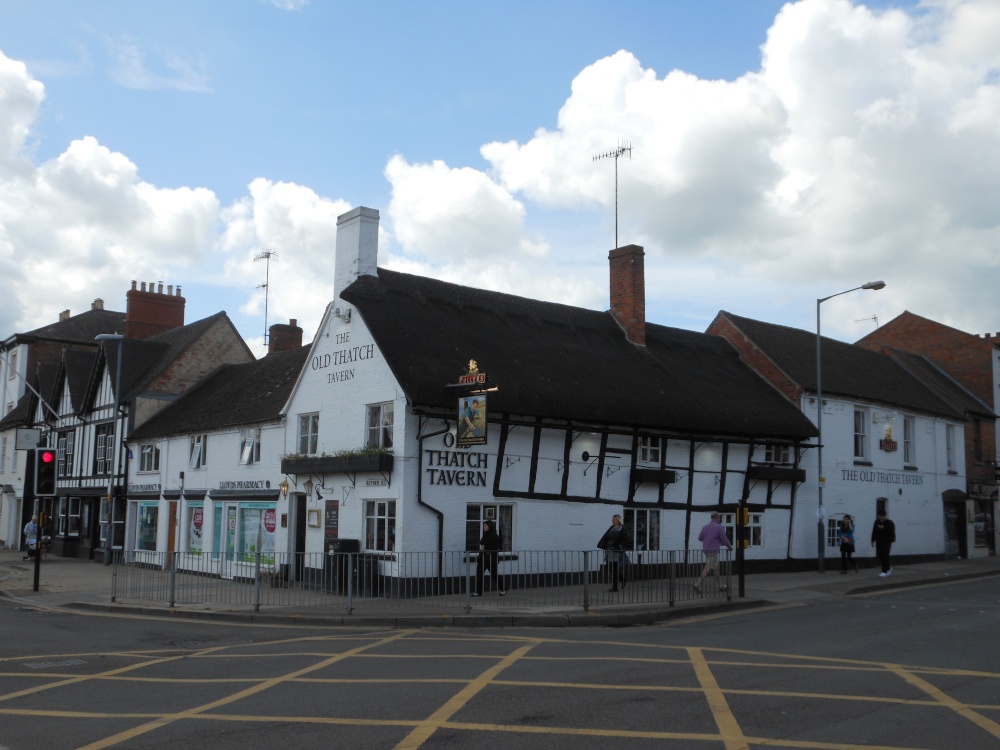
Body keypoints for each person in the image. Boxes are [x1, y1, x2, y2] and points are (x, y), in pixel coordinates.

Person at [695, 511, 733, 593]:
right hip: (714, 550)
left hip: (706, 549)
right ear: (717, 518)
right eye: (719, 518)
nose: (720, 520)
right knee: (708, 567)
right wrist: (730, 547)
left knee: (716, 569)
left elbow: (700, 538)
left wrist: (709, 539)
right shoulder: (719, 527)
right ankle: (698, 584)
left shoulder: (705, 527)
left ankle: (721, 586)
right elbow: (724, 539)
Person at [597, 514, 629, 592]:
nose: (613, 521)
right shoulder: (611, 528)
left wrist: (619, 547)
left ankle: (615, 587)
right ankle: (622, 578)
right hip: (608, 550)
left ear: (618, 520)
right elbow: (606, 537)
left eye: (614, 519)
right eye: (612, 519)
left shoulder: (622, 529)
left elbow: (624, 541)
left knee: (614, 568)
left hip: (615, 551)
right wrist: (603, 545)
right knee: (609, 568)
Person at [473, 520, 505, 596]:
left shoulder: (494, 536)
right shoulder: (485, 535)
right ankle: (478, 592)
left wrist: (485, 548)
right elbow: (481, 545)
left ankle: (504, 588)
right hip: (482, 558)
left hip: (491, 559)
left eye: (485, 526)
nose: (484, 527)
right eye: (484, 526)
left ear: (490, 527)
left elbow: (495, 547)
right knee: (479, 574)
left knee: (494, 575)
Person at [871, 509, 896, 576]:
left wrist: (884, 528)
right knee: (879, 555)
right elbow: (874, 531)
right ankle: (888, 567)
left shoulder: (890, 523)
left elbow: (892, 532)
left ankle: (885, 571)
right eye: (879, 516)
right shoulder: (877, 522)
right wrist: (872, 540)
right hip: (879, 541)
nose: (881, 518)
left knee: (885, 554)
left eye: (882, 516)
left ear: (885, 516)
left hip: (887, 541)